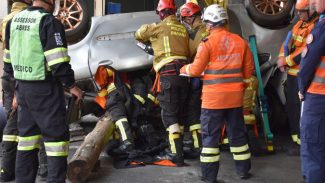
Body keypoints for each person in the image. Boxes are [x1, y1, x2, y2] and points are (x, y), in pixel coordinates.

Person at [4, 0, 84, 182]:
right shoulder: (49, 22)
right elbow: (58, 61)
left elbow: (8, 62)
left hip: (22, 89)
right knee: (56, 140)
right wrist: (72, 86)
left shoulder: (13, 21)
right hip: (44, 90)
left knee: (26, 140)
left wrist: (14, 91)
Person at [180, 4, 254, 182]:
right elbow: (248, 71)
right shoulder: (240, 42)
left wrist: (185, 68)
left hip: (213, 101)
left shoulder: (207, 43)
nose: (205, 26)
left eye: (206, 23)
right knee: (237, 136)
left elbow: (197, 70)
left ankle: (209, 176)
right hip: (235, 99)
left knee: (210, 139)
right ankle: (243, 171)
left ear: (211, 23)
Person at [135, 0, 189, 166]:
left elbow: (139, 33)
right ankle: (179, 148)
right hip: (185, 75)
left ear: (161, 13)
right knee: (179, 113)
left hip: (168, 74)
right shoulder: (183, 29)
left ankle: (175, 155)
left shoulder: (159, 26)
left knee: (169, 114)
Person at [1, 0, 47, 181]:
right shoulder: (31, 19)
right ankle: (42, 171)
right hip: (24, 79)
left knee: (12, 128)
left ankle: (6, 170)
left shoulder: (7, 19)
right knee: (36, 126)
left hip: (10, 76)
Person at [277, 0, 319, 155]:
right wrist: (281, 57)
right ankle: (296, 140)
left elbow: (304, 51)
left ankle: (302, 144)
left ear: (310, 11)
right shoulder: (300, 24)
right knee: (292, 108)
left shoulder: (314, 27)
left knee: (301, 111)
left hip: (302, 75)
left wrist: (286, 61)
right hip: (292, 75)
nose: (299, 14)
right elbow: (286, 44)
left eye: (301, 11)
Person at [297, 0, 325, 181]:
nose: (313, 3)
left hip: (319, 96)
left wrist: (302, 88)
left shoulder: (322, 28)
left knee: (313, 147)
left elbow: (307, 64)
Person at [179, 2, 208, 155]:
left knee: (193, 108)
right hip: (207, 77)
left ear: (190, 18)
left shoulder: (200, 32)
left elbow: (190, 51)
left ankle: (199, 144)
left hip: (201, 76)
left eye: (184, 19)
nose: (184, 23)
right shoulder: (202, 30)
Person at [94, 66, 135, 153]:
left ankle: (127, 142)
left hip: (114, 93)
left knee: (119, 117)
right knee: (127, 115)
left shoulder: (102, 68)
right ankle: (128, 140)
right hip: (126, 91)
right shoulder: (120, 65)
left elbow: (101, 83)